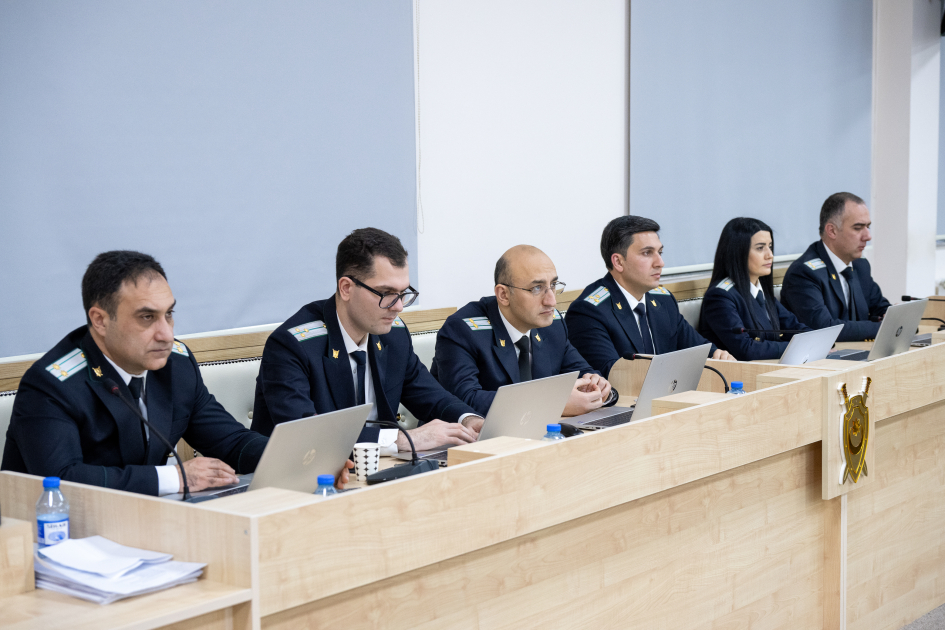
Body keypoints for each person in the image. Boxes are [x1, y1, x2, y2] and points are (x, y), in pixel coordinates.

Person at [1, 251, 270, 496]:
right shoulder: (50, 385)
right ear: (100, 320)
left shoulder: (176, 366)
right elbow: (61, 479)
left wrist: (290, 455)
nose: (166, 334)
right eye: (147, 317)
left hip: (144, 523)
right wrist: (175, 478)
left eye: (169, 314)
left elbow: (233, 442)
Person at [252, 228, 483, 455]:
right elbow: (308, 436)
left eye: (403, 293)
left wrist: (467, 418)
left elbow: (430, 395)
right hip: (300, 479)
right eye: (386, 293)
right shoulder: (291, 346)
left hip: (376, 472)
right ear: (346, 288)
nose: (399, 307)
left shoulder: (394, 335)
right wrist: (404, 439)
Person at [432, 245, 613, 417]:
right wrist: (552, 404)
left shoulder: (553, 324)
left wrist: (598, 385)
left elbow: (582, 372)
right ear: (503, 295)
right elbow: (465, 400)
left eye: (554, 285)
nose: (551, 301)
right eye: (537, 288)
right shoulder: (462, 330)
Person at [566, 216, 734, 377]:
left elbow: (698, 349)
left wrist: (717, 356)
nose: (660, 262)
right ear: (618, 262)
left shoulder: (663, 299)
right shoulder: (588, 311)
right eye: (647, 253)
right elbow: (613, 375)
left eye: (660, 252)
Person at [780, 192, 891, 342]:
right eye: (858, 228)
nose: (868, 236)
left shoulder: (860, 265)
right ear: (832, 231)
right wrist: (884, 328)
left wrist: (895, 319)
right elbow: (825, 328)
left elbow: (880, 307)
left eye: (868, 227)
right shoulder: (803, 273)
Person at [698, 218, 811, 361]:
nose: (770, 254)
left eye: (770, 246)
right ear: (738, 252)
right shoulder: (720, 296)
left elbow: (793, 326)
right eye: (760, 248)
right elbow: (746, 349)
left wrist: (817, 341)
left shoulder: (759, 290)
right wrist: (799, 347)